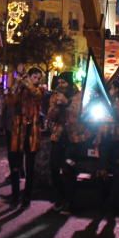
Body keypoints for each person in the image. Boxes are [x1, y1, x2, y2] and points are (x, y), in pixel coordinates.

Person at [6, 67, 44, 205]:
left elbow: (37, 95)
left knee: (30, 166)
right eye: (34, 77)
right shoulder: (20, 90)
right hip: (18, 131)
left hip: (32, 132)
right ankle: (15, 195)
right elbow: (10, 101)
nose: (37, 80)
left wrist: (27, 83)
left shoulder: (40, 89)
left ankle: (27, 196)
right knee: (15, 165)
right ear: (29, 76)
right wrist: (16, 85)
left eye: (38, 78)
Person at [46, 72, 76, 211]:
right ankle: (60, 196)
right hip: (58, 136)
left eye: (63, 82)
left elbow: (79, 113)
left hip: (72, 137)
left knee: (68, 169)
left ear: (69, 83)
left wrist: (67, 103)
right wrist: (57, 107)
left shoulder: (77, 95)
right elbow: (50, 115)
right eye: (59, 82)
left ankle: (69, 201)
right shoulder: (55, 95)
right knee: (53, 167)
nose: (60, 85)